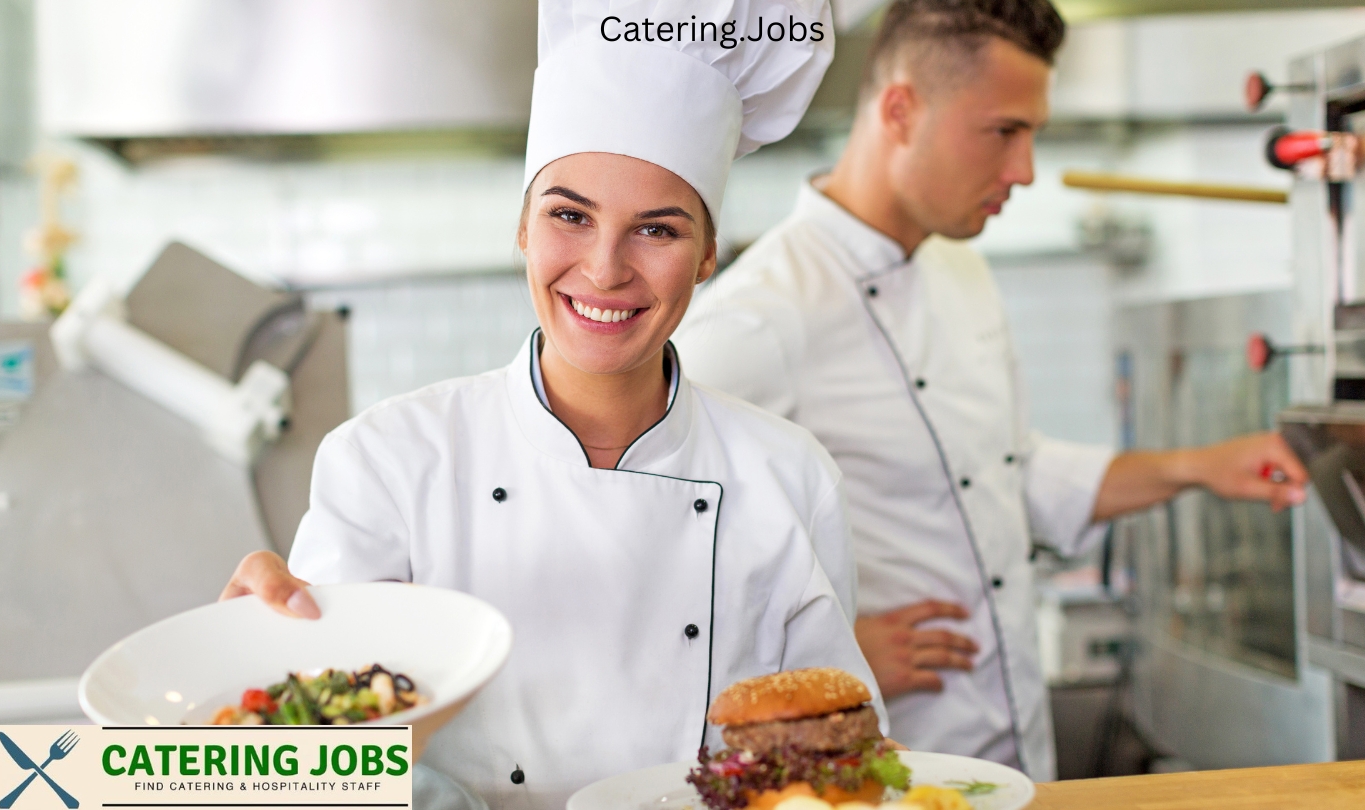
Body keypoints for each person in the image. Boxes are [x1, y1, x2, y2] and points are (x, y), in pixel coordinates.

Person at [218, 2, 879, 808]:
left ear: (708, 254)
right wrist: (253, 686)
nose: (604, 270)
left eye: (657, 231)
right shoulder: (387, 463)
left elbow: (838, 766)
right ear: (524, 229)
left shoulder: (790, 478)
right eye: (570, 215)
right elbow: (319, 771)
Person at [672, 0, 1310, 781]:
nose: (1025, 171)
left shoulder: (961, 269)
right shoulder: (757, 318)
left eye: (1032, 133)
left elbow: (1009, 473)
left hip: (1019, 760)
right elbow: (669, 567)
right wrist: (817, 656)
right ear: (900, 111)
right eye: (1004, 131)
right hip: (888, 776)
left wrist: (1197, 467)